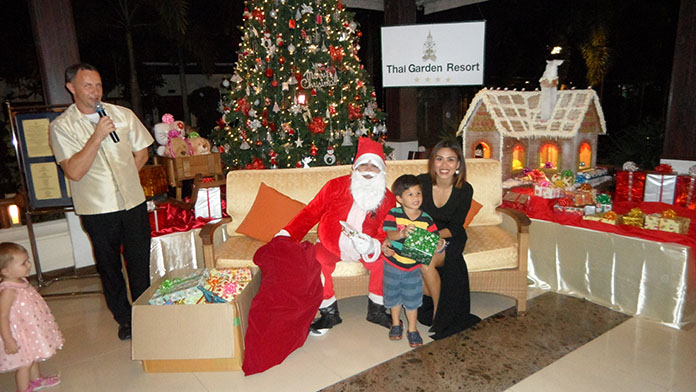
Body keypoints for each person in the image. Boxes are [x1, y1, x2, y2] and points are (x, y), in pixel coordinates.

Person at [49, 63, 154, 341]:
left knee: (140, 261)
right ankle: (125, 318)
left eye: (98, 85)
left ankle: (144, 315)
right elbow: (74, 171)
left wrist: (127, 178)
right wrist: (97, 135)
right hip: (97, 210)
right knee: (109, 267)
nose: (95, 91)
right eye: (88, 86)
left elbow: (142, 151)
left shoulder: (122, 114)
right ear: (71, 87)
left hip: (132, 202)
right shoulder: (62, 127)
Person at [279, 137, 396, 335]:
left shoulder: (388, 199)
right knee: (316, 261)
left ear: (382, 171)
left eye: (374, 166)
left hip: (365, 250)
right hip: (330, 246)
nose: (368, 170)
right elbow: (311, 213)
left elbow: (387, 231)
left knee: (384, 263)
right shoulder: (334, 186)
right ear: (355, 168)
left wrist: (371, 246)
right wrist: (287, 234)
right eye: (363, 165)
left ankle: (377, 310)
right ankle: (329, 312)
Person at [385, 140, 481, 340]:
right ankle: (433, 306)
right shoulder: (422, 183)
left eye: (450, 160)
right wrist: (390, 240)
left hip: (449, 236)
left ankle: (440, 315)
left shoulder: (465, 189)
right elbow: (402, 213)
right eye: (439, 159)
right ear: (433, 162)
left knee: (426, 262)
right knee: (417, 262)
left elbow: (456, 227)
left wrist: (433, 237)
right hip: (422, 234)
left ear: (458, 165)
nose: (444, 165)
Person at [382, 175, 445, 347]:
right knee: (393, 297)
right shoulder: (394, 214)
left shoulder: (426, 219)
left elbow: (434, 240)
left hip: (413, 268)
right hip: (393, 265)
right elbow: (390, 234)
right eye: (409, 194)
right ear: (399, 199)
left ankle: (412, 329)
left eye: (418, 193)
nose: (415, 197)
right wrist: (402, 233)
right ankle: (396, 324)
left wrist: (439, 245)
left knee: (412, 300)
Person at [0, 243, 63, 392]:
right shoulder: (8, 291)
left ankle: (36, 379)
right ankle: (23, 389)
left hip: (30, 330)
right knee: (25, 363)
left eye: (28, 260)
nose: (29, 265)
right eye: (23, 263)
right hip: (18, 333)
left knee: (33, 355)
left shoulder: (22, 281)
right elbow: (2, 316)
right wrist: (8, 340)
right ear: (6, 270)